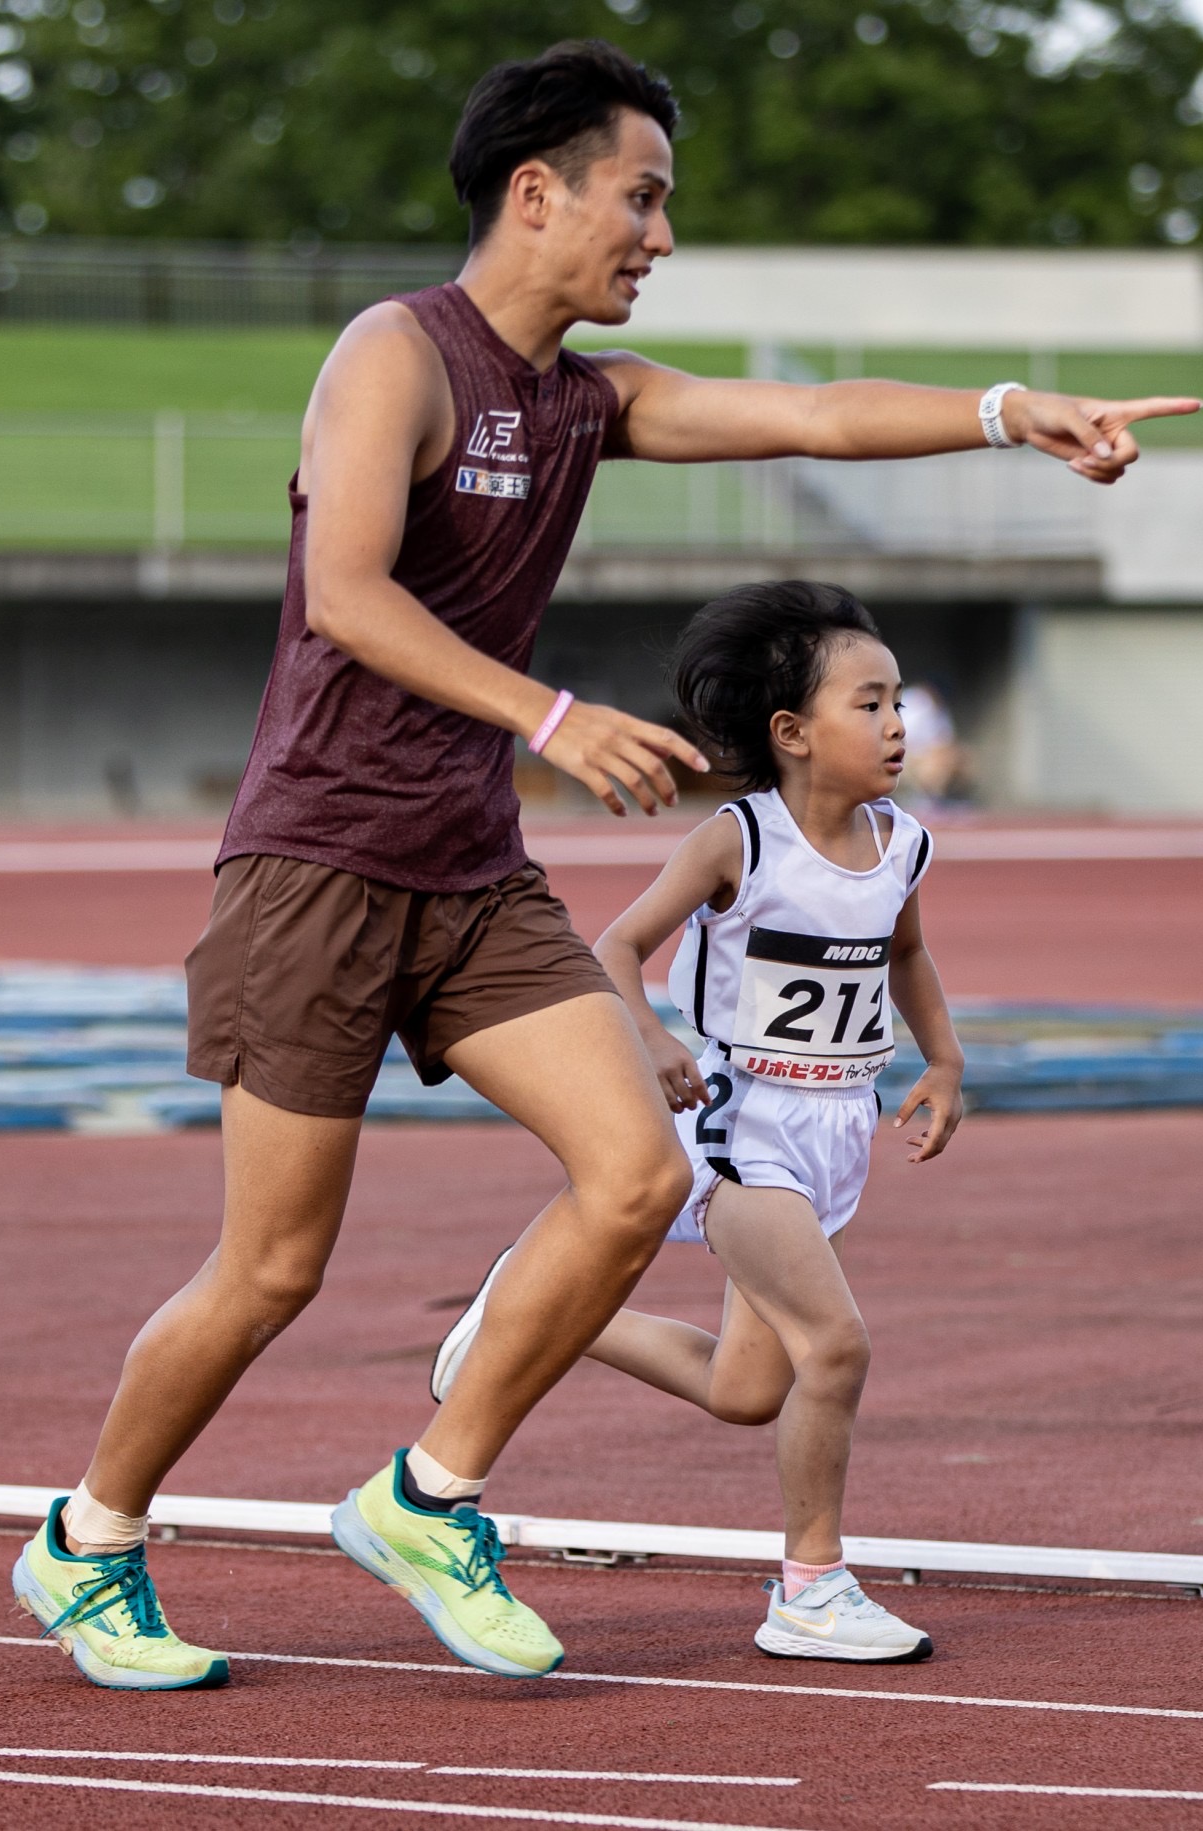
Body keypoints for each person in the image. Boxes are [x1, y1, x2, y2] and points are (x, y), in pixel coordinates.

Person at [12, 38, 1200, 1692]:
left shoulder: (589, 400)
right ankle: (88, 1538)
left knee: (638, 1177)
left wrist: (1012, 415)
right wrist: (552, 716)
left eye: (664, 206)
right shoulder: (393, 356)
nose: (656, 235)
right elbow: (346, 593)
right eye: (637, 199)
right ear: (534, 192)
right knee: (274, 1264)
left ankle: (427, 1495)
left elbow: (811, 413)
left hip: (468, 875)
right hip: (315, 867)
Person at [431, 582, 961, 1663]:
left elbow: (904, 955)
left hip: (836, 1132)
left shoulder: (902, 845)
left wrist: (944, 1058)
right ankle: (810, 1586)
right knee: (837, 1345)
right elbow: (616, 946)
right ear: (793, 733)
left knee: (746, 1388)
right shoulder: (740, 842)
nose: (899, 723)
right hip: (738, 1126)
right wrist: (657, 1044)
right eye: (871, 703)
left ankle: (516, 1313)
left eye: (900, 700)